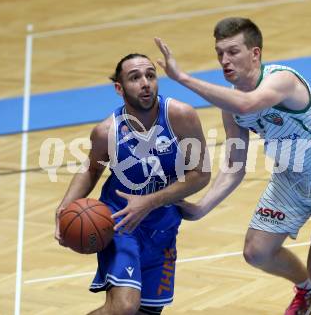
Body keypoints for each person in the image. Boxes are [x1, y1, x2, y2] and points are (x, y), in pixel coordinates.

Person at [154, 17, 311, 315]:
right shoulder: (230, 104)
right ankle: (309, 288)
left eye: (233, 51)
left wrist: (182, 78)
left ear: (255, 53)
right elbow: (235, 165)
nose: (224, 60)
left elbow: (250, 104)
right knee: (256, 252)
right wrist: (201, 208)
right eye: (220, 52)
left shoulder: (282, 80)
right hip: (291, 180)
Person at [54, 53, 210, 315]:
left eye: (150, 75)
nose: (145, 82)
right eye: (135, 77)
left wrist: (149, 202)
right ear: (119, 88)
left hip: (163, 227)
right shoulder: (107, 132)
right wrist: (64, 207)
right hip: (119, 223)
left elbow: (200, 174)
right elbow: (92, 168)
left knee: (143, 313)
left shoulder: (182, 116)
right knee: (125, 307)